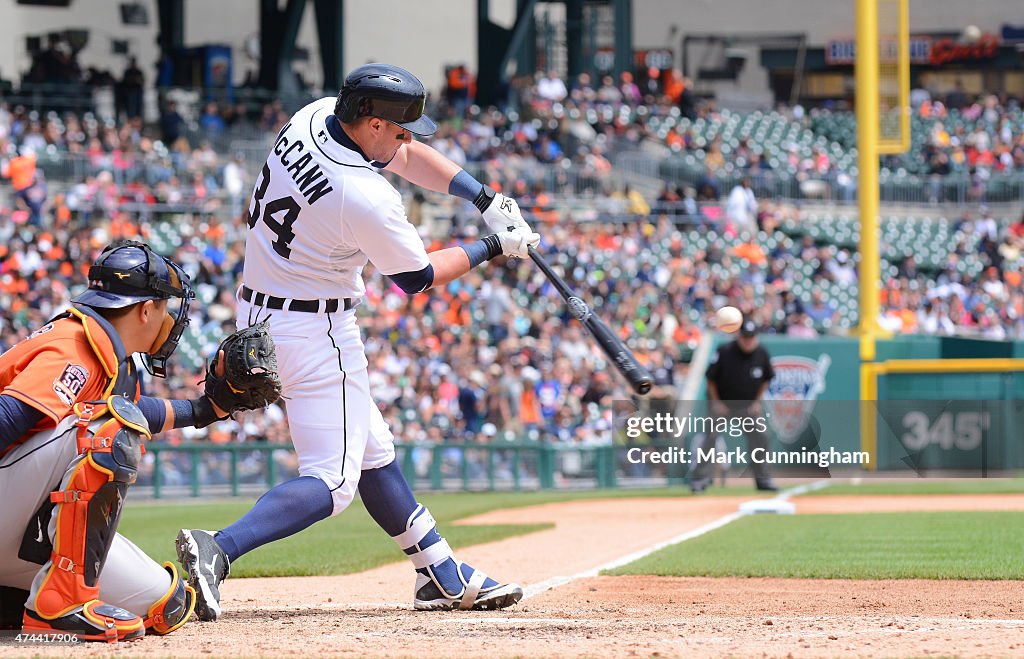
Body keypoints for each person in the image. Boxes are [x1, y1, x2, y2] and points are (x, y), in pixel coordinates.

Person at [176, 62, 539, 620]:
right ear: (370, 124)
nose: (407, 137)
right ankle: (218, 549)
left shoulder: (316, 115)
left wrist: (481, 194)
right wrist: (495, 245)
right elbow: (416, 277)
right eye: (398, 127)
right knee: (332, 479)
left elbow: (407, 155)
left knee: (374, 449)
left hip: (263, 308)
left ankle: (439, 573)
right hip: (315, 328)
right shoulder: (362, 193)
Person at [0, 241, 257, 641]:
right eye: (167, 306)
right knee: (107, 428)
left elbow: (139, 411)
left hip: (16, 525)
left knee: (165, 603)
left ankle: (15, 596)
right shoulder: (73, 346)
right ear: (145, 309)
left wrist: (207, 409)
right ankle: (61, 604)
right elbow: (7, 418)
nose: (171, 318)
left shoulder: (101, 353)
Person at [689, 319, 777, 493]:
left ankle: (763, 480)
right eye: (745, 337)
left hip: (747, 405)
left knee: (761, 437)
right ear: (739, 336)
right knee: (710, 438)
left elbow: (766, 379)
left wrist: (757, 401)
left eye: (751, 337)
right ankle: (699, 480)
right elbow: (711, 379)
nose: (748, 341)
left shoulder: (761, 353)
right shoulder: (725, 351)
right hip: (723, 404)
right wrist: (716, 403)